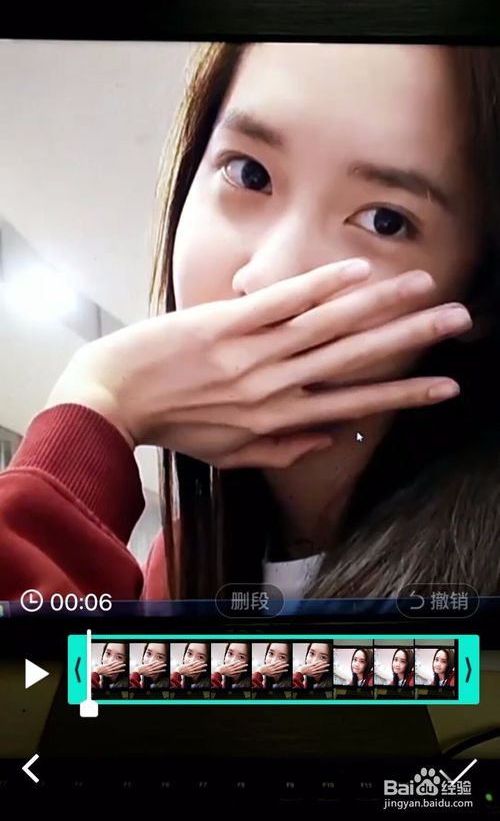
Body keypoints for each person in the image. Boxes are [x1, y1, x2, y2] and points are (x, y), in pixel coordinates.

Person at [3, 42, 500, 602]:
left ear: (479, 292)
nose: (267, 275)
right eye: (249, 173)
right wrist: (98, 403)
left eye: (385, 221)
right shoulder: (183, 566)